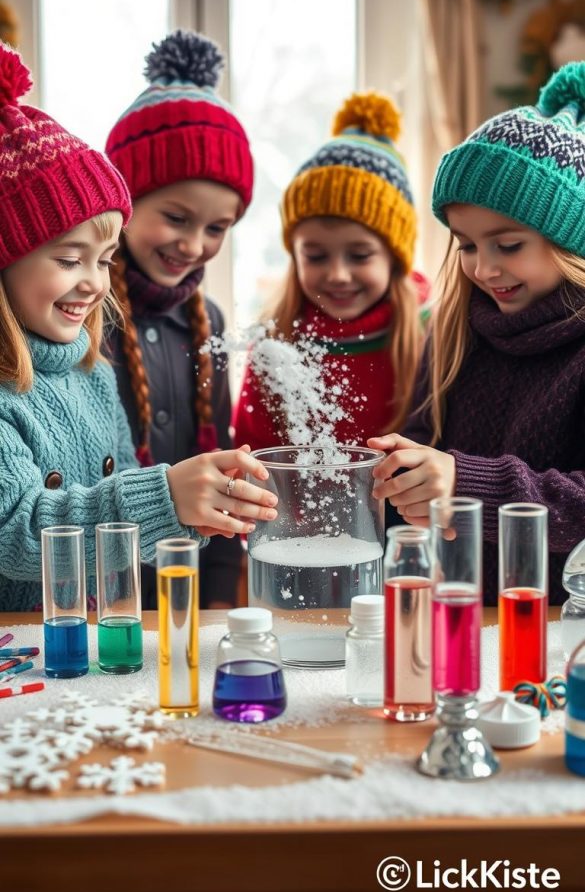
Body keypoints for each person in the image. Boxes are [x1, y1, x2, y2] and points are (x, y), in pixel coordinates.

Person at [0, 43, 277, 613]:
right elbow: (16, 527)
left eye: (104, 260)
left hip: (89, 639)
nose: (96, 284)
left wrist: (198, 507)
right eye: (68, 259)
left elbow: (124, 490)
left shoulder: (89, 369)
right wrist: (169, 496)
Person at [369, 61, 585, 603]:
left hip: (561, 633)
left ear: (571, 243)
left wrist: (465, 485)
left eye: (507, 246)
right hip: (458, 620)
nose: (483, 269)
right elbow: (423, 451)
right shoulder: (452, 331)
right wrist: (403, 478)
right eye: (466, 245)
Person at [104, 30, 255, 608]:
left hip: (185, 601)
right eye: (176, 217)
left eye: (217, 228)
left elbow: (223, 474)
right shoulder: (82, 316)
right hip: (101, 605)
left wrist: (219, 594)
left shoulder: (206, 323)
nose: (194, 245)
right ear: (124, 198)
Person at [232, 92, 429, 451]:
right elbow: (254, 460)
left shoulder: (426, 333)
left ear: (394, 259)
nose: (338, 274)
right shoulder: (274, 344)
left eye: (359, 255)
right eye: (316, 256)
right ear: (295, 256)